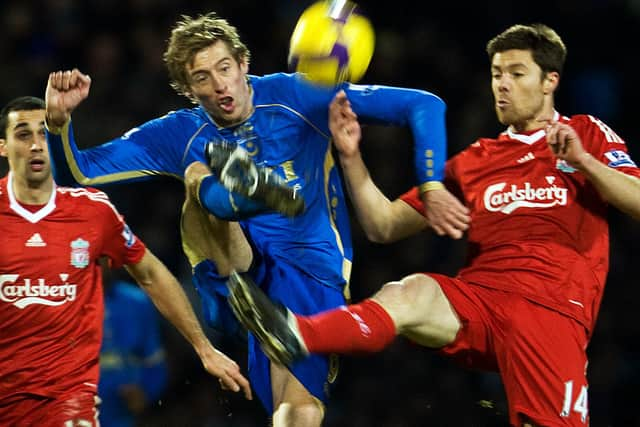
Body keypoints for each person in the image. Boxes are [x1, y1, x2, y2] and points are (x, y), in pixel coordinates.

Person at [43, 9, 469, 426]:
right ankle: (245, 194)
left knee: (297, 409)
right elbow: (78, 173)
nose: (219, 85)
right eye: (202, 78)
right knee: (195, 174)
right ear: (188, 90)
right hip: (229, 273)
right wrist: (58, 124)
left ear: (244, 64)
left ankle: (238, 192)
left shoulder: (299, 95)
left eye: (225, 68)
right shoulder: (178, 130)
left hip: (306, 274)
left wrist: (430, 184)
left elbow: (424, 105)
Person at [225, 23, 640, 427]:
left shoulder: (585, 133)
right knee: (410, 292)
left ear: (550, 81)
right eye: (497, 74)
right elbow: (384, 225)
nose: (503, 85)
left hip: (550, 312)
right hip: (481, 302)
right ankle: (298, 333)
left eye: (516, 74)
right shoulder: (477, 160)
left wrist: (585, 161)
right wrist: (351, 157)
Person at [0, 96, 251, 427]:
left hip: (69, 399)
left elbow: (150, 274)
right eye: (23, 134)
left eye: (44, 133)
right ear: (3, 146)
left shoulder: (93, 212)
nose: (36, 145)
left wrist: (204, 348)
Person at [99, 277, 169, 427]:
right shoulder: (62, 303)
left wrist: (145, 393)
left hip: (125, 418)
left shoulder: (136, 300)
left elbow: (155, 362)